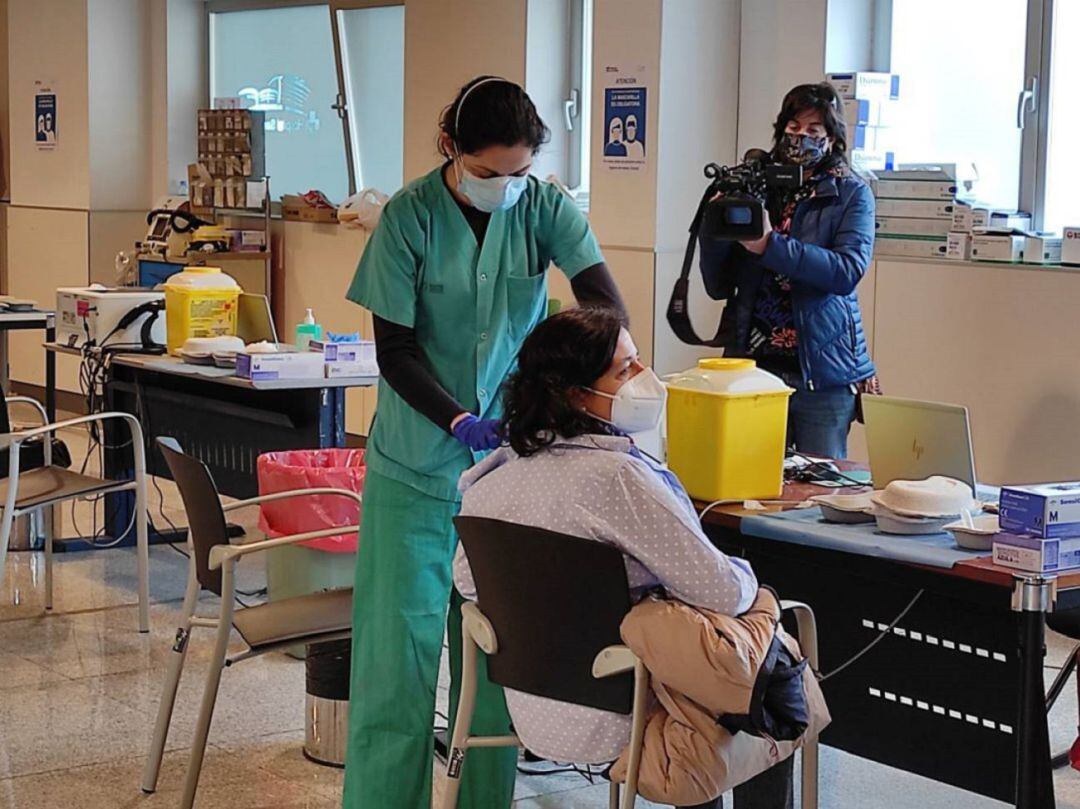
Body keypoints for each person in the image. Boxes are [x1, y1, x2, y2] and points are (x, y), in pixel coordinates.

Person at [341, 76, 626, 809]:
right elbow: (396, 353)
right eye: (490, 172)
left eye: (518, 172)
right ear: (452, 149)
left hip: (508, 474)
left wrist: (563, 379)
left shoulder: (543, 207)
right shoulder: (409, 219)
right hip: (414, 467)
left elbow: (606, 306)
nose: (505, 186)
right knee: (395, 663)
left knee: (502, 658)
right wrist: (459, 420)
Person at [454, 306, 794, 809]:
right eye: (625, 369)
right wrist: (754, 586)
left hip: (532, 708)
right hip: (628, 715)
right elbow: (723, 591)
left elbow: (469, 582)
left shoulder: (491, 480)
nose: (644, 378)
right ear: (575, 393)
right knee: (767, 667)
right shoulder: (620, 480)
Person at [699, 82, 877, 459]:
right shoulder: (755, 182)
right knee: (748, 481)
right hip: (752, 366)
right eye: (793, 128)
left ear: (832, 138)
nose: (800, 139)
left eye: (813, 131)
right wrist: (715, 225)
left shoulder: (850, 193)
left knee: (820, 486)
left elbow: (846, 271)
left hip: (822, 370)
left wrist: (770, 245)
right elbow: (718, 285)